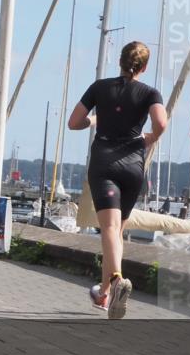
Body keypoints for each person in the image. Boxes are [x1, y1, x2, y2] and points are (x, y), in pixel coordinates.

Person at [68, 41, 166, 319]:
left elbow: (74, 122)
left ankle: (116, 280)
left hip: (105, 164)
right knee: (116, 232)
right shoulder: (150, 92)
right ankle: (104, 294)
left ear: (120, 61)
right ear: (144, 67)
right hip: (133, 166)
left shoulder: (99, 87)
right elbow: (161, 123)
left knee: (109, 228)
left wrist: (94, 120)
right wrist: (150, 138)